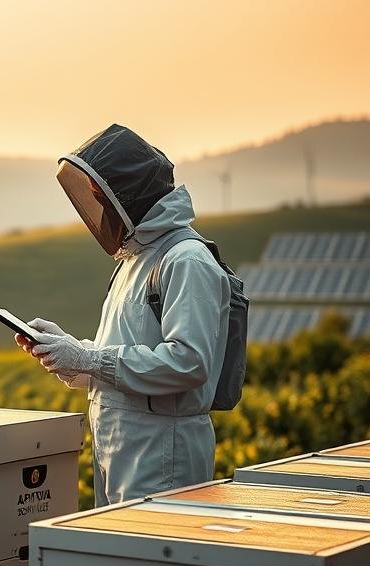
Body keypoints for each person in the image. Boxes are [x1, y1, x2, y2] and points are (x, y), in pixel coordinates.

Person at [16, 124, 231, 506]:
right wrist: (66, 353)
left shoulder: (185, 260)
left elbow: (188, 363)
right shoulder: (134, 260)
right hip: (120, 450)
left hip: (163, 454)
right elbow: (119, 360)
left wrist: (89, 358)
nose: (98, 208)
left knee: (153, 562)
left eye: (102, 197)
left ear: (128, 196)